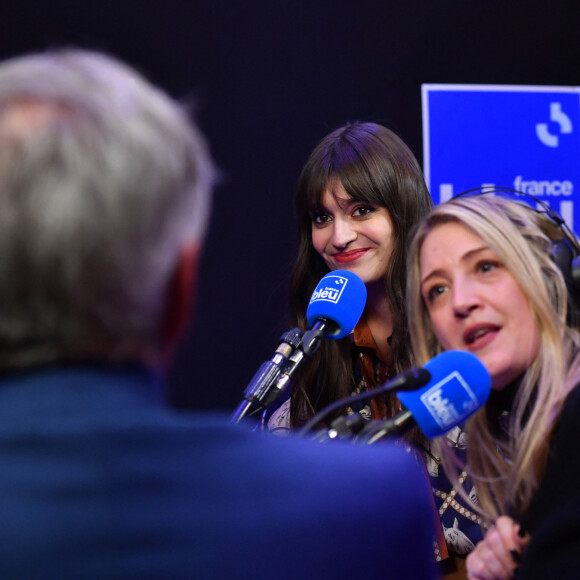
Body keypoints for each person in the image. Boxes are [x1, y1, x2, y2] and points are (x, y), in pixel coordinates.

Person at [0, 48, 438, 579]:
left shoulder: (457, 343)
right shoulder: (312, 354)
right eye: (322, 217)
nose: (340, 236)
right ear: (181, 294)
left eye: (362, 210)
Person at [406, 193, 580, 579]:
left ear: (551, 277)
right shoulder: (530, 430)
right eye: (437, 290)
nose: (461, 302)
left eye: (485, 266)